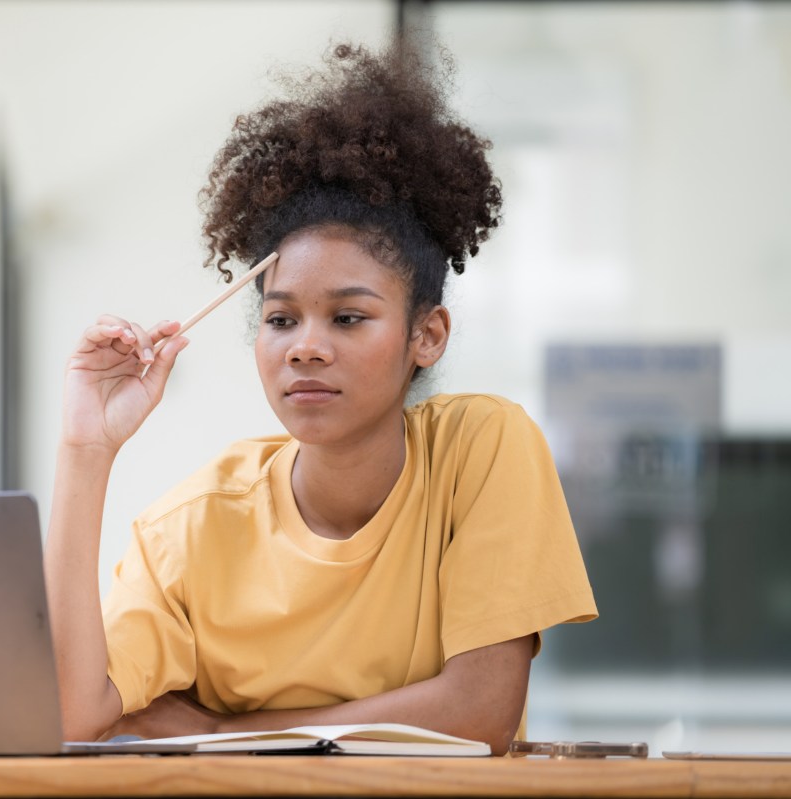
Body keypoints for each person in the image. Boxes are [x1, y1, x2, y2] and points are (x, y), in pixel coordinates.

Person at [43, 42, 597, 756]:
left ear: (426, 335)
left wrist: (219, 732)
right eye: (280, 319)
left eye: (347, 316)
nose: (305, 345)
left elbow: (481, 708)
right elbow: (69, 717)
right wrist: (86, 451)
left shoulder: (483, 448)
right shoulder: (191, 528)